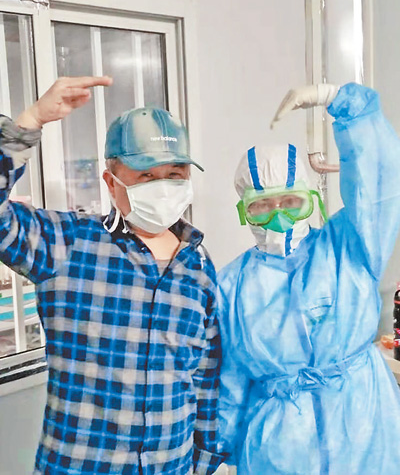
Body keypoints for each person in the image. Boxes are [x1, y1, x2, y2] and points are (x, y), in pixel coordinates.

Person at [0, 76, 224, 475]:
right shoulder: (66, 243)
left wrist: (204, 463)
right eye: (147, 176)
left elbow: (205, 380)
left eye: (175, 174)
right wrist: (29, 123)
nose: (164, 187)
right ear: (111, 182)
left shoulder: (199, 266)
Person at [217, 82, 400, 474]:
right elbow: (231, 377)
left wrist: (340, 101)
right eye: (262, 206)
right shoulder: (231, 285)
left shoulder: (350, 246)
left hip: (365, 429)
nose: (279, 217)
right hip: (281, 449)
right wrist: (222, 449)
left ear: (311, 200)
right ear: (245, 210)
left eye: (291, 202)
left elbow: (379, 180)